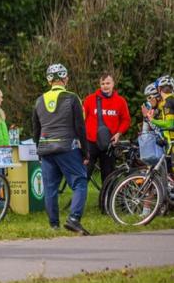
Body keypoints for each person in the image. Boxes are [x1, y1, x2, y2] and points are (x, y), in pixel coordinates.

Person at [32, 64, 89, 235]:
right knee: (79, 182)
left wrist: (39, 150)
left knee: (50, 188)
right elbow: (80, 127)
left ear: (49, 80)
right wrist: (85, 151)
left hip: (46, 148)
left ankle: (54, 225)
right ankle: (74, 219)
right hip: (67, 147)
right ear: (65, 79)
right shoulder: (72, 98)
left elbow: (36, 129)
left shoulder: (39, 100)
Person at [82, 72, 131, 185]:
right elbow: (82, 120)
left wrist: (119, 133)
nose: (105, 86)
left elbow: (126, 120)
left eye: (108, 83)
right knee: (84, 175)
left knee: (108, 177)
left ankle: (106, 201)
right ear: (100, 85)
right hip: (90, 143)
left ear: (113, 84)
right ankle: (79, 201)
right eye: (103, 83)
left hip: (109, 144)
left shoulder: (120, 101)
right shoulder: (89, 100)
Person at [144, 75, 174, 154]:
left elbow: (169, 124)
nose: (149, 100)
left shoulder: (168, 102)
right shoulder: (167, 102)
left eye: (150, 97)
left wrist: (151, 120)